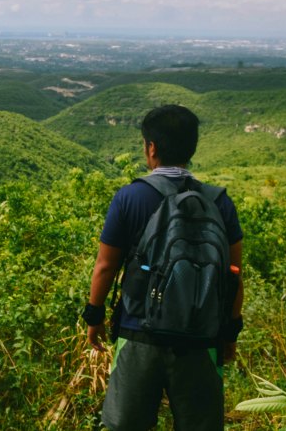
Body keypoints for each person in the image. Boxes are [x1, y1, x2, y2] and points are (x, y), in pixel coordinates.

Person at [82, 104, 244, 431]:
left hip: (138, 332)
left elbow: (105, 267)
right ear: (192, 147)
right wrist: (230, 332)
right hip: (201, 338)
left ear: (151, 148)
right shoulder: (219, 202)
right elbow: (234, 276)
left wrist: (94, 317)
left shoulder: (130, 198)